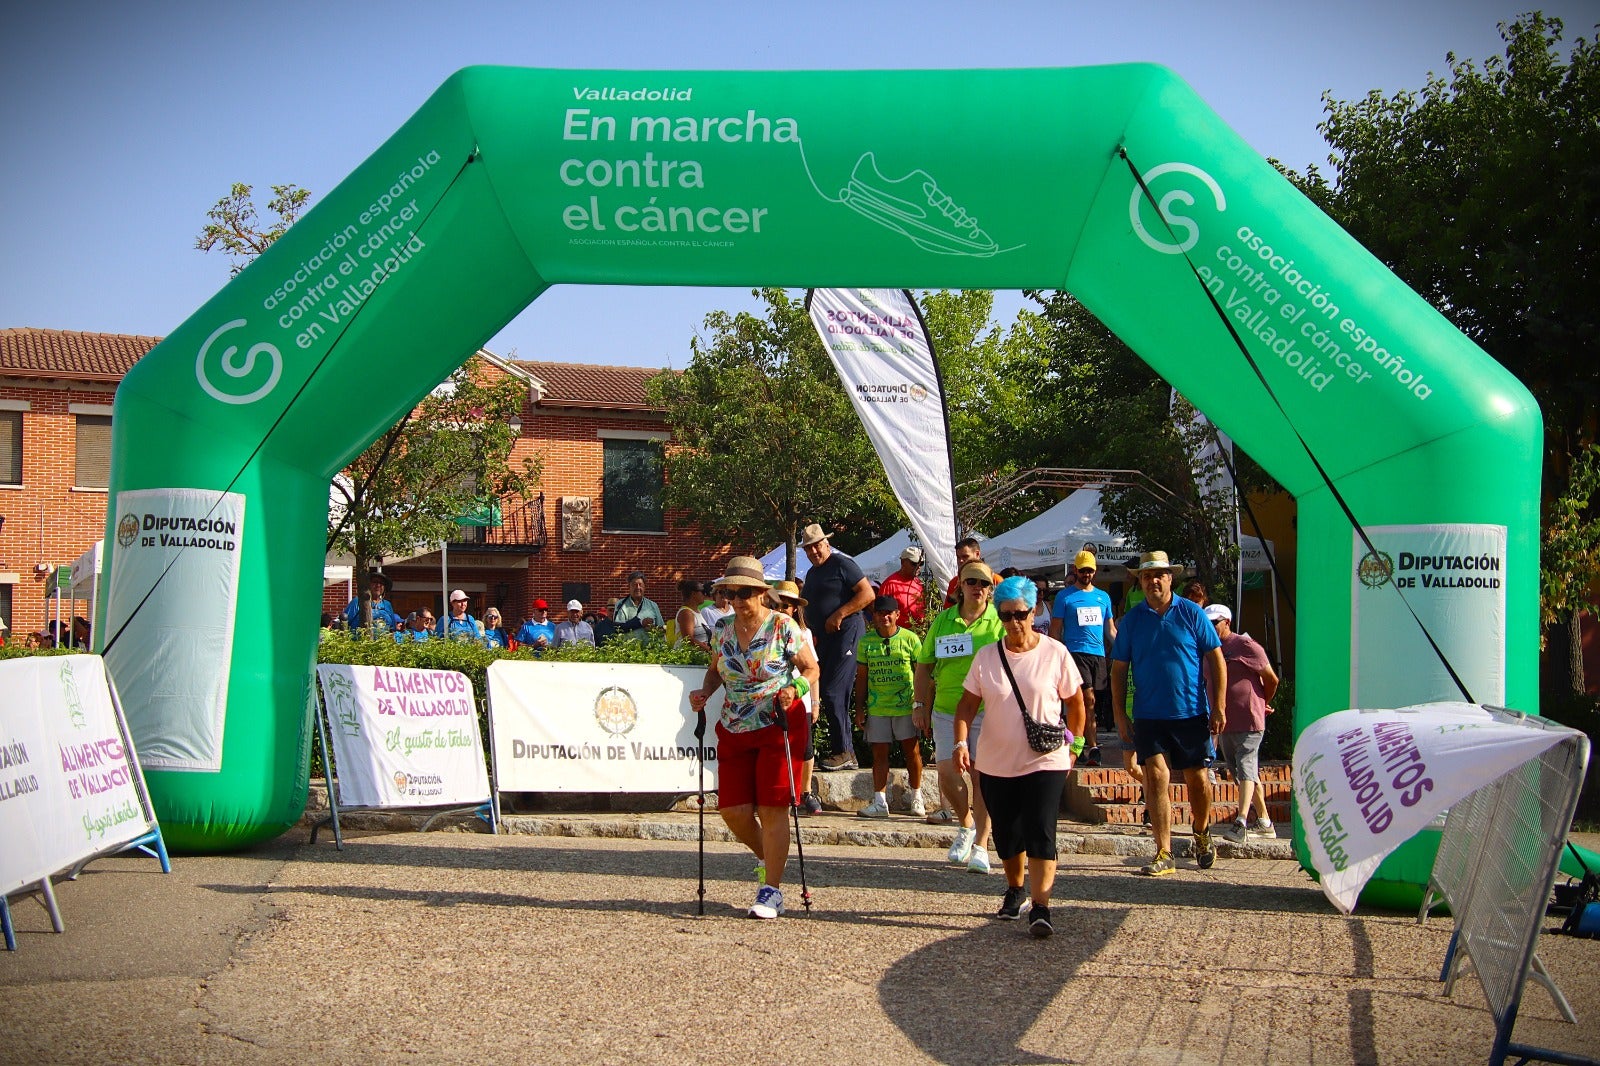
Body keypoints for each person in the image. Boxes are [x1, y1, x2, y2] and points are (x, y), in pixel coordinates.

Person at [688, 556, 821, 919]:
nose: (738, 599)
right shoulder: (723, 629)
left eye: (746, 592)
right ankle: (771, 857)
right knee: (732, 810)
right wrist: (704, 693)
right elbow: (716, 669)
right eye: (731, 592)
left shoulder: (783, 626)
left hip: (778, 722)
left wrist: (794, 687)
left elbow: (811, 668)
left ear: (762, 594)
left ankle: (771, 890)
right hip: (734, 725)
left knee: (772, 806)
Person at [955, 575, 1086, 937]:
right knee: (1008, 836)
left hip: (1046, 758)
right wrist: (961, 743)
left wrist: (1075, 746)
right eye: (1007, 615)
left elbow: (1076, 703)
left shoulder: (1055, 653)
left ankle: (1041, 907)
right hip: (996, 761)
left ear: (1033, 612)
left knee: (1041, 830)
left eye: (1021, 614)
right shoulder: (986, 657)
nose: (1014, 622)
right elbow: (966, 706)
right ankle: (1015, 889)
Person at [1110, 551, 1226, 876]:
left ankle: (1201, 832)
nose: (1153, 581)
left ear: (1170, 578)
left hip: (1190, 712)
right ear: (1141, 581)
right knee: (1156, 775)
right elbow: (1118, 670)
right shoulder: (1132, 620)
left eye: (1159, 575)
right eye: (1147, 576)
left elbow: (1216, 658)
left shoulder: (1191, 613)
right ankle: (1164, 851)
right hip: (1149, 715)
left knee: (1197, 779)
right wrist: (1120, 714)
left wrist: (1219, 705)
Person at [914, 559, 1004, 873]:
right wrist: (919, 705)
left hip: (986, 711)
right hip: (946, 710)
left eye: (984, 584)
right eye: (971, 582)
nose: (977, 588)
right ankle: (966, 825)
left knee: (983, 779)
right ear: (960, 587)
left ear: (991, 590)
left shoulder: (998, 621)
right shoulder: (943, 621)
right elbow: (924, 665)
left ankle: (981, 844)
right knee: (948, 774)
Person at [799, 523, 875, 772]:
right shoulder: (812, 573)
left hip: (847, 634)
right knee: (827, 692)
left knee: (833, 692)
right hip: (825, 639)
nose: (813, 552)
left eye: (816, 546)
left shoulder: (843, 565)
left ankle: (843, 750)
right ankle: (847, 752)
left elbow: (867, 595)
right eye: (808, 549)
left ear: (826, 544)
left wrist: (840, 614)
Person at [1207, 604, 1281, 843]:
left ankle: (1241, 822)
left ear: (1227, 622)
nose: (1210, 627)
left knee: (1246, 765)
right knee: (1241, 772)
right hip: (1224, 722)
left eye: (1214, 623)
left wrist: (1261, 701)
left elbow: (1271, 679)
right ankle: (1265, 822)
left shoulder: (1245, 646)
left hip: (1249, 719)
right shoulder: (1207, 648)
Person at [853, 595, 926, 818]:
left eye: (888, 613)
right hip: (878, 707)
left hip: (906, 706)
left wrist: (921, 705)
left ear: (897, 615)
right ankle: (879, 801)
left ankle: (917, 796)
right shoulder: (866, 642)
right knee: (879, 755)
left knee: (912, 752)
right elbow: (862, 677)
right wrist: (860, 708)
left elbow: (921, 673)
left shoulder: (910, 639)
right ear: (873, 616)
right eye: (879, 613)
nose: (884, 617)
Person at [1050, 551, 1117, 768]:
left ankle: (1077, 743)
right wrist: (1055, 657)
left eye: (1090, 570)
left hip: (1097, 654)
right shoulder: (1065, 597)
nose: (1086, 574)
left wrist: (1123, 651)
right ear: (1075, 570)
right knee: (1086, 699)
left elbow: (1110, 630)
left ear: (1095, 571)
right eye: (1082, 570)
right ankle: (1091, 746)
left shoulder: (1103, 597)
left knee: (1091, 702)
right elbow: (1055, 630)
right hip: (1074, 653)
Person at [771, 580, 822, 814]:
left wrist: (814, 702)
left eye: (787, 606)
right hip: (773, 700)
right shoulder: (766, 632)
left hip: (799, 700)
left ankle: (805, 792)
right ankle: (782, 792)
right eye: (779, 605)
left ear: (794, 609)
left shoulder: (804, 633)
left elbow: (813, 670)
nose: (782, 610)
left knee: (805, 749)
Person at [879, 545, 926, 623]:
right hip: (899, 634)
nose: (918, 567)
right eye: (914, 563)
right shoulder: (890, 584)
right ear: (903, 562)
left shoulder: (919, 584)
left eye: (921, 564)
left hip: (920, 632)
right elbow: (881, 614)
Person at [613, 571, 664, 640]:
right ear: (629, 587)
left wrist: (653, 629)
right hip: (628, 649)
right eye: (634, 585)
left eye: (640, 584)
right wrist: (640, 622)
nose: (638, 587)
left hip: (650, 649)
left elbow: (662, 629)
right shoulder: (620, 604)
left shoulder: (653, 606)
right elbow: (618, 628)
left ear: (644, 587)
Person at [673, 577, 712, 652]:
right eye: (703, 592)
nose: (705, 595)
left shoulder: (697, 612)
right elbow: (688, 639)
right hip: (687, 659)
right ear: (694, 594)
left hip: (698, 657)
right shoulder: (686, 613)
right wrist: (709, 650)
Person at [943, 536, 984, 607]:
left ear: (977, 554)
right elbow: (947, 614)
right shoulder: (954, 583)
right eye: (958, 557)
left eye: (965, 556)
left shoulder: (994, 580)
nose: (960, 561)